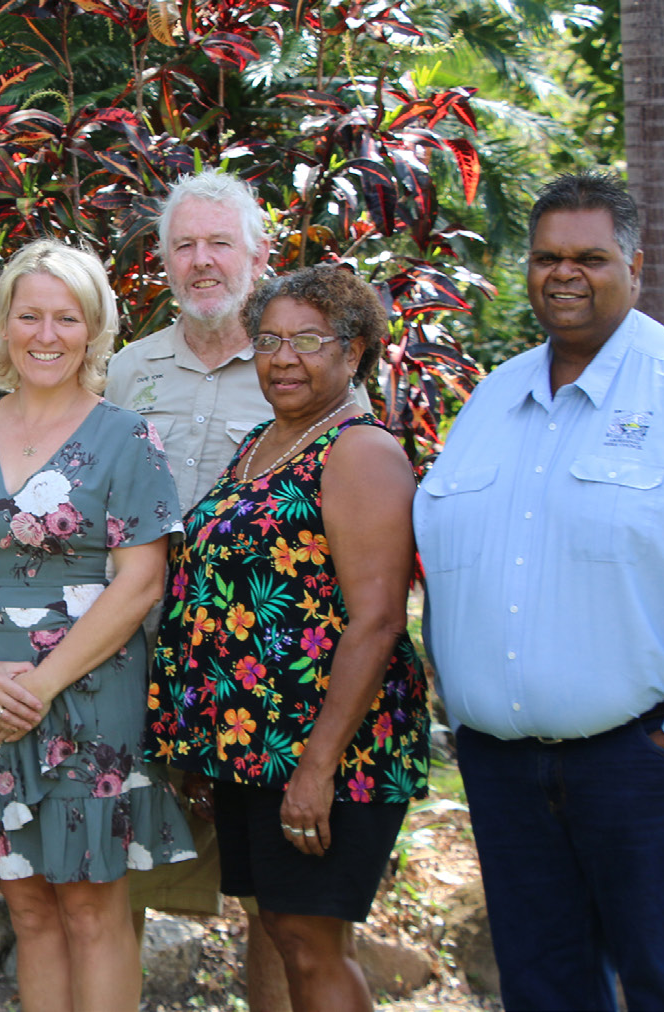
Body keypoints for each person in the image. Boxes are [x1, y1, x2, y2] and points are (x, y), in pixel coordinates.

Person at [413, 172, 664, 1010]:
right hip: (502, 769)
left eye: (590, 257)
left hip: (645, 764)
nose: (564, 274)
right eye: (545, 257)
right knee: (541, 990)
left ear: (635, 266)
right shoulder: (492, 400)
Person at [0, 239, 196, 1012]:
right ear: (3, 327)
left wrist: (41, 684)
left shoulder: (126, 436)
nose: (45, 334)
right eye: (28, 315)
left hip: (90, 694)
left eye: (66, 318)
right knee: (28, 905)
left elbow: (142, 581)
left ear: (93, 332)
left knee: (92, 906)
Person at [146, 265, 430, 1011]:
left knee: (309, 942)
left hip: (328, 748)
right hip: (251, 746)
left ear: (356, 351)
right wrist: (209, 743)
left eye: (308, 340)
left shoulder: (358, 451)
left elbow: (377, 619)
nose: (283, 357)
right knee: (282, 929)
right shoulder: (261, 442)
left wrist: (316, 767)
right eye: (268, 339)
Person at [103, 168, 291, 1011]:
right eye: (185, 245)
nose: (202, 261)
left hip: (266, 672)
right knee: (126, 879)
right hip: (141, 665)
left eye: (220, 243)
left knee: (282, 907)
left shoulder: (302, 366)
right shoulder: (126, 372)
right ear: (163, 260)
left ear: (258, 255)